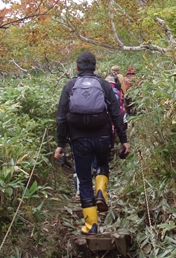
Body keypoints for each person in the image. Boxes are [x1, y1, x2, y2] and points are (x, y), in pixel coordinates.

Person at [55, 51, 130, 235]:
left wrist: (60, 144)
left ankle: (91, 225)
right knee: (103, 165)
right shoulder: (103, 85)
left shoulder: (70, 85)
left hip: (79, 139)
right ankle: (101, 194)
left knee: (84, 179)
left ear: (77, 67)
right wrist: (123, 140)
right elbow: (116, 113)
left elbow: (61, 117)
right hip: (103, 136)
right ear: (95, 67)